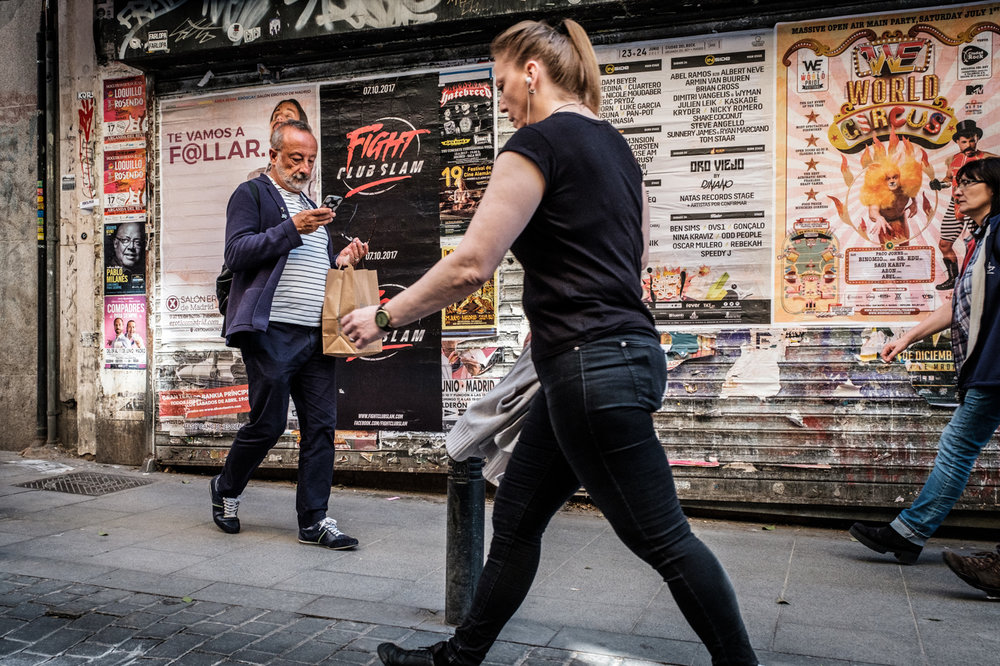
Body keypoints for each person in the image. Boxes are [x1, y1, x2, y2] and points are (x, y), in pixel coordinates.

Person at [342, 18, 758, 666]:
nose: (501, 100)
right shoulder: (618, 151)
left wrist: (385, 316)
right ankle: (458, 659)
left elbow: (471, 264)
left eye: (502, 83)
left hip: (590, 371)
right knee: (516, 520)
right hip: (611, 361)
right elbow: (631, 266)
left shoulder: (536, 144)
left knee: (664, 539)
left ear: (532, 73)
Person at [211, 118, 369, 550]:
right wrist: (292, 228)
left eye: (310, 160)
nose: (304, 167)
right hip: (272, 332)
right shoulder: (252, 194)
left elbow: (312, 270)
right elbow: (236, 252)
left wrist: (341, 262)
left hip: (318, 334)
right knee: (268, 424)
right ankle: (225, 487)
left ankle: (314, 521)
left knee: (321, 427)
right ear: (273, 155)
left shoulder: (311, 205)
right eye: (295, 158)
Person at [850, 157, 1000, 571]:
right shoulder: (979, 239)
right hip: (986, 366)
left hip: (994, 366)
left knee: (958, 445)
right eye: (958, 183)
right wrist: (907, 337)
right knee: (959, 445)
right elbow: (957, 305)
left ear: (994, 189)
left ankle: (909, 532)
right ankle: (909, 532)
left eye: (970, 183)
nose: (959, 191)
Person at [929, 119, 996, 290]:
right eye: (964, 142)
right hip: (956, 204)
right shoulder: (952, 159)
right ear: (957, 142)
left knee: (978, 244)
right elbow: (948, 179)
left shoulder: (988, 158)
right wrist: (939, 184)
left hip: (977, 206)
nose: (969, 145)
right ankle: (954, 279)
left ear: (977, 139)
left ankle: (981, 279)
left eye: (972, 140)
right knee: (944, 244)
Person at [247, 98, 317, 200]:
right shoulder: (254, 180)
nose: (279, 118)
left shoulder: (315, 173)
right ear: (273, 156)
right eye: (276, 116)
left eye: (288, 116)